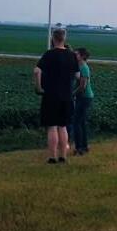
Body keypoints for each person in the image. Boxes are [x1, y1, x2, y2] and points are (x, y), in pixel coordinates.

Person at [34, 28, 80, 164]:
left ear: (53, 38)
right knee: (63, 126)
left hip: (51, 95)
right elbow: (78, 76)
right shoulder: (71, 55)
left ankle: (52, 156)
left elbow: (37, 71)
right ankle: (63, 155)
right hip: (66, 95)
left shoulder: (49, 54)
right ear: (64, 38)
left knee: (52, 126)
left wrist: (39, 87)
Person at [71, 47, 94, 155]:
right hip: (84, 97)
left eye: (76, 54)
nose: (75, 56)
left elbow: (82, 86)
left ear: (82, 56)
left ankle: (79, 147)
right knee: (82, 123)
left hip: (84, 97)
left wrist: (72, 94)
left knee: (76, 122)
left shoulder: (84, 67)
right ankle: (84, 146)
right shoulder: (79, 66)